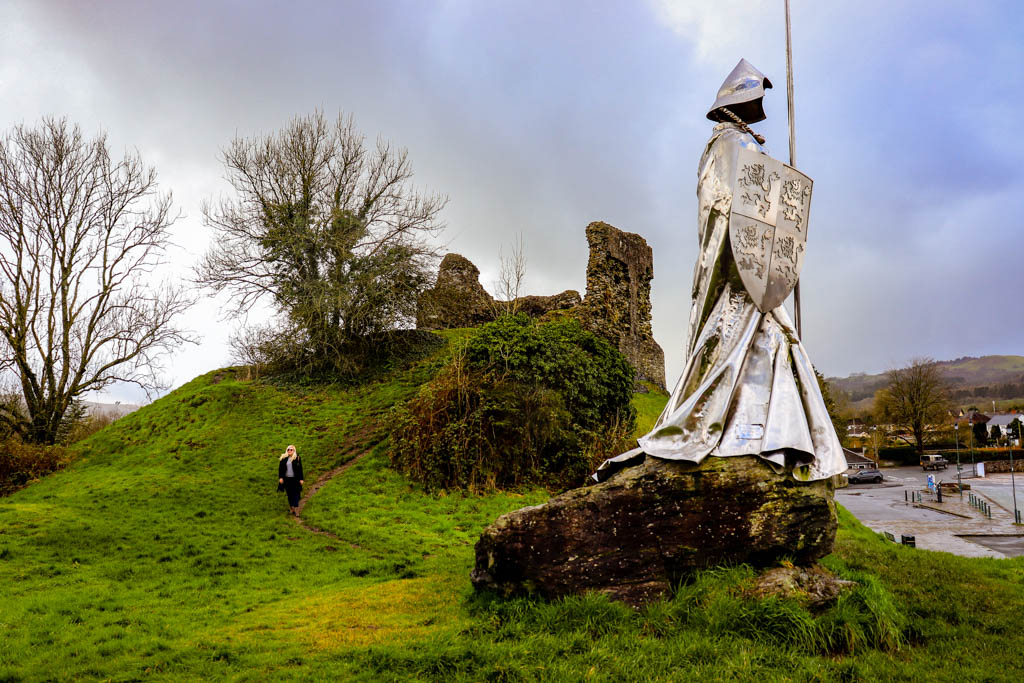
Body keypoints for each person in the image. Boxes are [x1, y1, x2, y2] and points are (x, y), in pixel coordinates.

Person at [596, 58, 846, 483]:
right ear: (741, 98)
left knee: (775, 345)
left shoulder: (734, 144)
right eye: (757, 96)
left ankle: (771, 437)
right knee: (755, 345)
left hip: (754, 275)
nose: (761, 105)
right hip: (740, 274)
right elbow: (727, 210)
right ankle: (754, 437)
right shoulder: (731, 145)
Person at [278, 444, 304, 515]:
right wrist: (280, 478)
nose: (289, 451)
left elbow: (300, 469)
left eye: (291, 449)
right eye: (288, 449)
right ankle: (292, 508)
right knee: (289, 494)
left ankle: (296, 509)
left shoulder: (297, 458)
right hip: (287, 480)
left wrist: (301, 479)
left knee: (295, 494)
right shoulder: (283, 458)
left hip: (295, 480)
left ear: (294, 451)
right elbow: (280, 469)